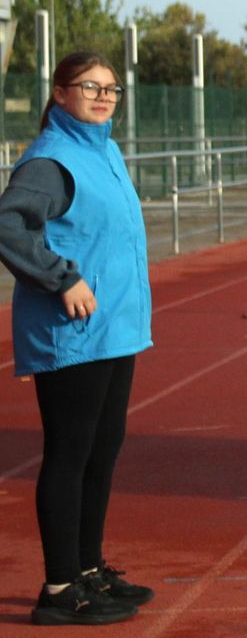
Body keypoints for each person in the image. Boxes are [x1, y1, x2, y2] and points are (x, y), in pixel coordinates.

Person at [1, 52, 155, 626]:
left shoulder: (104, 150)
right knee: (70, 455)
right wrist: (61, 278)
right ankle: (60, 587)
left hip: (113, 330)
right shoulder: (51, 159)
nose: (103, 96)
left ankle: (89, 569)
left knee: (101, 452)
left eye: (111, 89)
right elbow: (8, 224)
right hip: (73, 333)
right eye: (90, 87)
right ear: (61, 93)